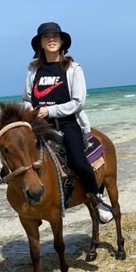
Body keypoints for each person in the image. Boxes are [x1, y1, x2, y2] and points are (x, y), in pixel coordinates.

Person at [22, 22, 114, 222]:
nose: (51, 39)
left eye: (55, 36)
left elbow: (78, 102)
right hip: (39, 126)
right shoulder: (33, 69)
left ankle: (97, 199)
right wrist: (30, 109)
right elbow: (27, 98)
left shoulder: (72, 68)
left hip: (67, 123)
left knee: (78, 161)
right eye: (46, 37)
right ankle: (29, 202)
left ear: (62, 42)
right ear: (40, 44)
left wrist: (49, 110)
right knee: (19, 156)